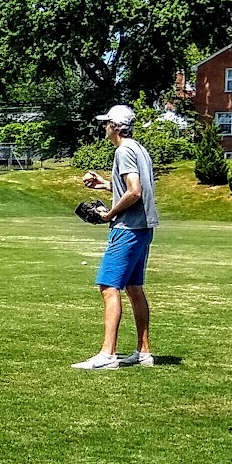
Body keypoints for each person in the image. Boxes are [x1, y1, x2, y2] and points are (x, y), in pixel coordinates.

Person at [75, 105, 157, 369]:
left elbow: (134, 192)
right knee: (134, 288)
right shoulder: (139, 149)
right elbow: (133, 186)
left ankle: (107, 355)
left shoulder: (123, 150)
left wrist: (109, 214)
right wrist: (105, 184)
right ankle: (144, 352)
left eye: (106, 123)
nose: (104, 127)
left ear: (115, 126)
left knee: (109, 287)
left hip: (128, 229)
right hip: (144, 227)